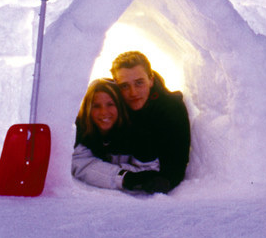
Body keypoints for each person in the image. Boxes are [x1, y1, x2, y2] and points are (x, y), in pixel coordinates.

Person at [111, 51, 191, 194]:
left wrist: (167, 181)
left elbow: (177, 160)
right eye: (124, 86)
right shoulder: (111, 106)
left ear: (151, 80)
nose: (133, 92)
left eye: (139, 83)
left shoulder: (171, 108)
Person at [71, 79, 159, 190]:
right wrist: (125, 177)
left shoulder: (137, 133)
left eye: (110, 104)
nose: (104, 112)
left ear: (119, 106)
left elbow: (149, 171)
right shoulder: (81, 132)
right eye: (96, 106)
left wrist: (103, 170)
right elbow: (81, 165)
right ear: (88, 109)